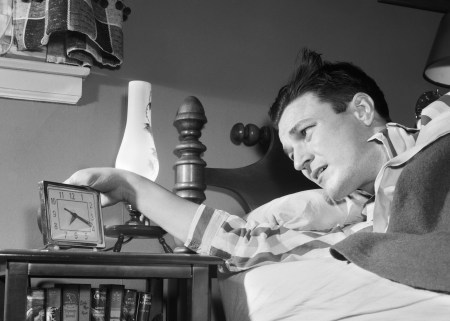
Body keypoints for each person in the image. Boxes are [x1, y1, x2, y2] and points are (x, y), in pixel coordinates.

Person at [65, 48, 450, 273]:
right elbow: (244, 244)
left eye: (306, 132)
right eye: (289, 153)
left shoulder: (436, 132)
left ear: (362, 110)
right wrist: (127, 185)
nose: (300, 162)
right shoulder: (356, 225)